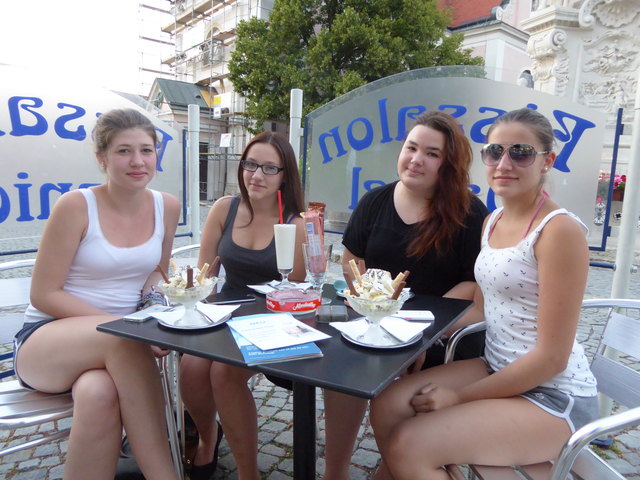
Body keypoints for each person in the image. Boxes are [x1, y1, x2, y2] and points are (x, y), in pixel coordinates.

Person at [369, 108, 599, 479]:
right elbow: (480, 309)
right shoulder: (493, 220)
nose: (504, 163)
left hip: (551, 396)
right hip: (496, 366)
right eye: (494, 152)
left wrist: (459, 398)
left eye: (521, 152)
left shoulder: (559, 232)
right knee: (386, 405)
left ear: (547, 161)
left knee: (408, 445)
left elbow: (551, 359)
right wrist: (411, 333)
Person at [12, 108, 181, 480]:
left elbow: (157, 272)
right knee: (122, 339)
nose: (137, 161)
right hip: (49, 339)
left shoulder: (166, 206)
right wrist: (129, 327)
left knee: (98, 394)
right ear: (102, 157)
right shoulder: (76, 206)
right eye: (123, 151)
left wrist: (153, 310)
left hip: (118, 349)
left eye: (146, 150)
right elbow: (44, 293)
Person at [324, 110, 488, 480]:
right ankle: (334, 472)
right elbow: (354, 261)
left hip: (440, 336)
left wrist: (418, 337)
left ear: (448, 164)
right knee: (340, 374)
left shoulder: (469, 212)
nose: (416, 159)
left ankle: (400, 466)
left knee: (406, 405)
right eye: (411, 147)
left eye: (432, 153)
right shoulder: (374, 201)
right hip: (376, 324)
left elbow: (472, 284)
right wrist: (371, 306)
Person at [179, 131, 307, 480]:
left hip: (271, 317)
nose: (256, 175)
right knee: (191, 368)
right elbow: (205, 276)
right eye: (251, 164)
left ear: (285, 175)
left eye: (269, 168)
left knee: (223, 372)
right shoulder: (225, 208)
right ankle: (208, 437)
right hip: (225, 310)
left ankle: (247, 473)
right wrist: (199, 324)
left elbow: (295, 290)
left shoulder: (295, 222)